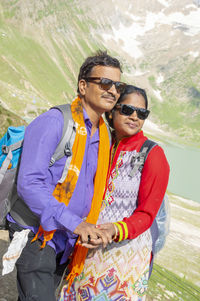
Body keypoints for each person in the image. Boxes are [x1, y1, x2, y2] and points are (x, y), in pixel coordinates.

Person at [6, 50, 126, 301]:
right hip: (36, 234)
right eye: (104, 82)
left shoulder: (102, 136)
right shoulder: (54, 121)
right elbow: (29, 184)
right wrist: (75, 223)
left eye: (117, 85)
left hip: (67, 242)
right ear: (83, 86)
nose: (112, 90)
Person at [59, 85, 170, 301]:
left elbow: (147, 213)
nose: (135, 117)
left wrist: (116, 229)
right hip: (88, 244)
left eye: (142, 113)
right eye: (127, 110)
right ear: (112, 111)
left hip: (125, 255)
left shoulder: (153, 154)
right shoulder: (99, 143)